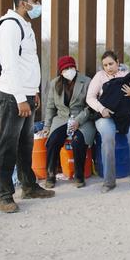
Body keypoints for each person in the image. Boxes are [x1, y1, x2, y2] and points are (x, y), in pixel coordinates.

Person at [0, 0, 54, 213]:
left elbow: (27, 63)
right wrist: (20, 98)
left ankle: (28, 186)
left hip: (26, 94)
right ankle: (4, 195)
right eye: (35, 1)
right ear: (23, 2)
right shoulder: (9, 26)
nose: (38, 5)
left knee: (25, 144)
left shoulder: (25, 26)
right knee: (8, 145)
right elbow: (9, 65)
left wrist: (33, 92)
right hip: (12, 96)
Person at [86, 51, 130, 193]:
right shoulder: (99, 77)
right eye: (105, 65)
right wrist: (102, 109)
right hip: (106, 115)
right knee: (108, 139)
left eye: (111, 64)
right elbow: (90, 98)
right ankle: (109, 182)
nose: (108, 67)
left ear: (118, 62)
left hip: (126, 115)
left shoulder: (126, 75)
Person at [40, 56, 96, 189]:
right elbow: (50, 107)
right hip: (62, 119)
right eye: (66, 69)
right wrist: (47, 126)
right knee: (53, 141)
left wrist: (78, 120)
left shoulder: (86, 82)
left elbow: (91, 106)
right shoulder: (55, 83)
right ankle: (51, 174)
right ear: (61, 71)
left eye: (71, 67)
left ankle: (79, 175)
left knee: (78, 141)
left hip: (83, 118)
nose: (69, 70)